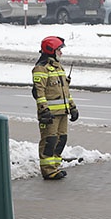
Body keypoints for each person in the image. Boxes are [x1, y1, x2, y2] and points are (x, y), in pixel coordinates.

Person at [32, 36, 78, 180]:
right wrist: (43, 110)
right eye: (59, 50)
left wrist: (73, 107)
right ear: (51, 50)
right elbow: (39, 92)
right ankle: (48, 170)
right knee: (49, 141)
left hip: (62, 113)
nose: (61, 53)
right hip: (50, 115)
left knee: (61, 139)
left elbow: (65, 92)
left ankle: (55, 167)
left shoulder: (59, 68)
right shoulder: (41, 68)